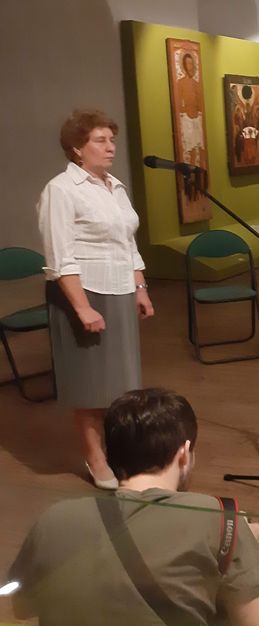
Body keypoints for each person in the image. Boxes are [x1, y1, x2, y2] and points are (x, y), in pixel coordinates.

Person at [8, 388, 259, 625]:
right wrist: (241, 542)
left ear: (109, 456)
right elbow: (257, 622)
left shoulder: (53, 519)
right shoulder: (219, 519)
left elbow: (21, 607)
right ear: (184, 454)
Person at [38, 110, 155, 490]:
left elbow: (127, 243)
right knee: (89, 384)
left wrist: (140, 287)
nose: (111, 147)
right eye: (100, 141)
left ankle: (118, 448)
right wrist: (82, 307)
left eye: (112, 140)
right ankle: (95, 456)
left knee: (120, 381)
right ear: (77, 148)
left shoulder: (114, 187)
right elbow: (59, 257)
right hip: (84, 294)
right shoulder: (61, 190)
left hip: (120, 289)